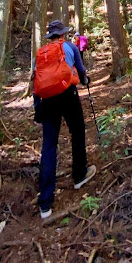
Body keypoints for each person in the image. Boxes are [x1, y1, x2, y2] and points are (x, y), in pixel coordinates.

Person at [33, 19, 96, 226]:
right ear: (63, 34)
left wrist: (37, 108)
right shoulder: (70, 47)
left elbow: (36, 80)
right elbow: (81, 72)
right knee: (77, 131)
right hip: (67, 94)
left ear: (49, 36)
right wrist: (86, 80)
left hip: (47, 100)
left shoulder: (41, 53)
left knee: (49, 146)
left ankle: (45, 203)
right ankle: (79, 175)